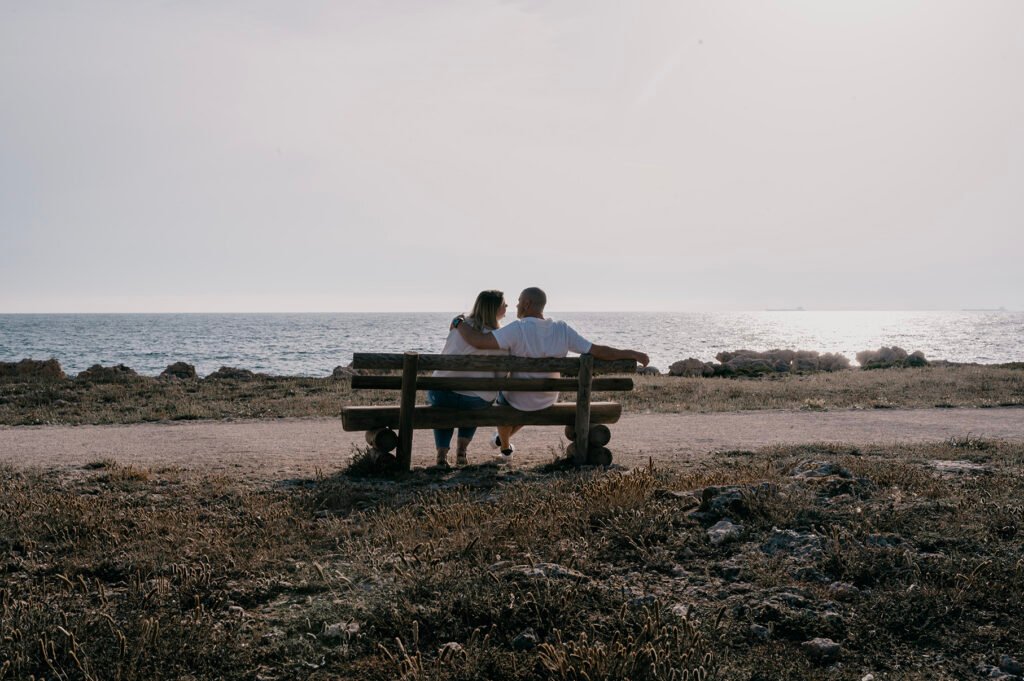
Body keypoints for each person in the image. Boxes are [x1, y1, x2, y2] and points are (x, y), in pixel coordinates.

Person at [454, 286, 649, 462]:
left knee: (506, 397)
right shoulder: (561, 329)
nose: (516, 304)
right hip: (546, 398)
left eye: (520, 301)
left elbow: (479, 341)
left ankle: (505, 449)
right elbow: (597, 350)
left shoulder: (517, 329)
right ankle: (502, 442)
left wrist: (459, 323)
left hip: (518, 399)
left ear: (527, 303)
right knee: (527, 398)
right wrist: (631, 353)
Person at [427, 290, 509, 467]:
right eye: (504, 304)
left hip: (441, 393)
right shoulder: (500, 337)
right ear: (494, 308)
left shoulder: (459, 327)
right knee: (477, 398)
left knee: (444, 411)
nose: (507, 306)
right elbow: (501, 374)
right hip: (475, 401)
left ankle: (441, 455)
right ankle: (462, 452)